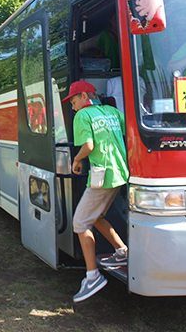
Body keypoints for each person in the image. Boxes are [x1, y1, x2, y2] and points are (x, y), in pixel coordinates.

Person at [61, 81, 129, 303]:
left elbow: (88, 146)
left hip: (101, 178)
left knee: (80, 222)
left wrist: (77, 160)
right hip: (120, 174)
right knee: (96, 216)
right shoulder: (112, 111)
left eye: (73, 101)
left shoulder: (83, 116)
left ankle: (93, 277)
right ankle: (121, 251)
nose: (72, 107)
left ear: (82, 95)